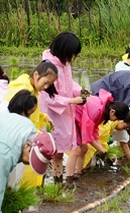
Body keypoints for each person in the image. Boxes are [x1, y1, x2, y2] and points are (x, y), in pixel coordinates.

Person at [1, 60, 58, 188]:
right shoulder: (22, 89)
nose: (46, 87)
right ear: (37, 75)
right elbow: (13, 115)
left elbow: (28, 113)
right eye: (45, 83)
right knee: (15, 182)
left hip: (26, 142)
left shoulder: (32, 89)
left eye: (49, 85)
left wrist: (44, 116)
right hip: (18, 143)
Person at [40, 31, 86, 183]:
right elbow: (49, 98)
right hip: (52, 115)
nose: (72, 58)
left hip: (65, 113)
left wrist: (79, 91)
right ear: (63, 50)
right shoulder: (48, 68)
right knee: (48, 150)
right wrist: (72, 101)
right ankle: (42, 182)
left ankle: (57, 181)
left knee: (59, 151)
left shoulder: (65, 64)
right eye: (71, 54)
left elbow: (69, 84)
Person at [65, 90, 130, 182]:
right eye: (116, 119)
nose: (114, 121)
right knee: (76, 150)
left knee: (84, 148)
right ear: (113, 112)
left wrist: (101, 148)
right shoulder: (97, 111)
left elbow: (94, 130)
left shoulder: (103, 111)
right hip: (70, 117)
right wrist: (100, 149)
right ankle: (69, 178)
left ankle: (78, 173)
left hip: (78, 121)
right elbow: (88, 134)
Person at [0, 113, 57, 209]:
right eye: (33, 158)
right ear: (27, 145)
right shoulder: (5, 155)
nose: (30, 163)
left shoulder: (28, 127)